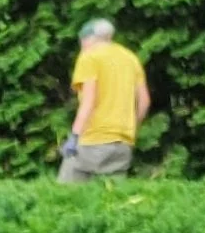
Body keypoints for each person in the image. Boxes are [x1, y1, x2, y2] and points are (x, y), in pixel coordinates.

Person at [61, 18, 150, 180]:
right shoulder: (130, 58)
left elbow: (89, 101)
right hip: (123, 143)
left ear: (88, 38)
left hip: (93, 139)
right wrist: (131, 129)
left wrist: (74, 136)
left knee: (65, 192)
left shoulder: (90, 57)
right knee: (112, 194)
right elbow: (144, 101)